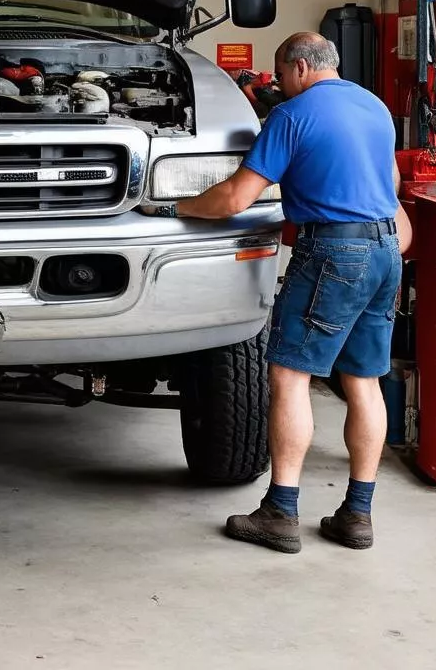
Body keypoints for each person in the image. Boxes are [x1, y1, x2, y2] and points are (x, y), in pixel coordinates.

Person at [171, 32, 407, 554]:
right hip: (387, 249)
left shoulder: (291, 116)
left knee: (289, 376)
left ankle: (280, 511)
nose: (278, 86)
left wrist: (177, 208)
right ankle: (358, 515)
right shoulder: (376, 107)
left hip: (333, 252)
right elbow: (390, 188)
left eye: (280, 76)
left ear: (300, 68)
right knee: (364, 381)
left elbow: (235, 197)